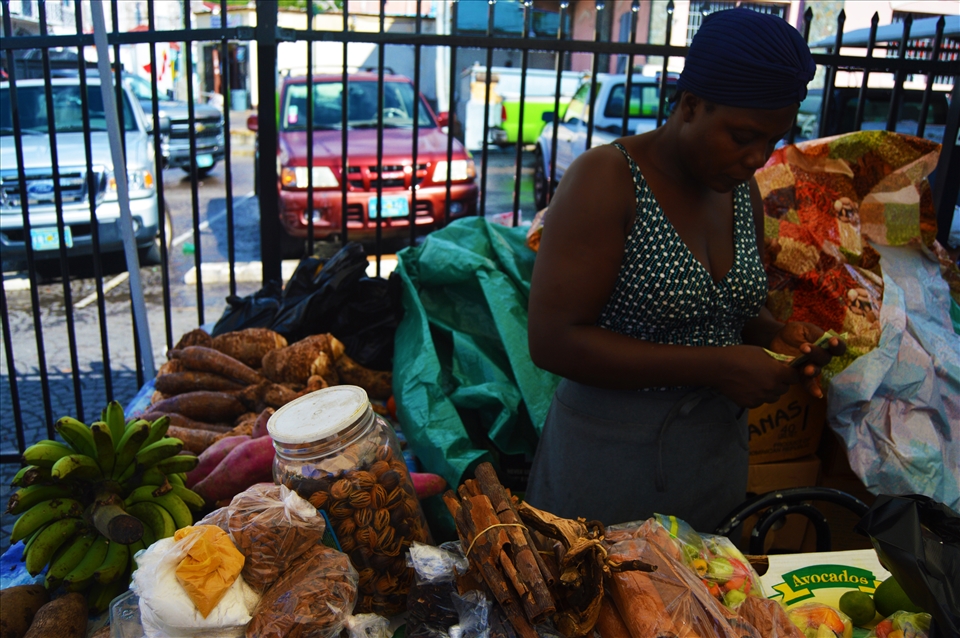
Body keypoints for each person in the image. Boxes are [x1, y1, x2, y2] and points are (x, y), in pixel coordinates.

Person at [525, 8, 847, 533]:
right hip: (610, 465)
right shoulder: (606, 178)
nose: (757, 157)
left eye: (771, 140)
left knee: (702, 602)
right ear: (691, 105)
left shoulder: (739, 192)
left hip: (711, 462)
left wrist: (775, 334)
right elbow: (553, 341)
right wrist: (716, 366)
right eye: (743, 135)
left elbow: (728, 307)